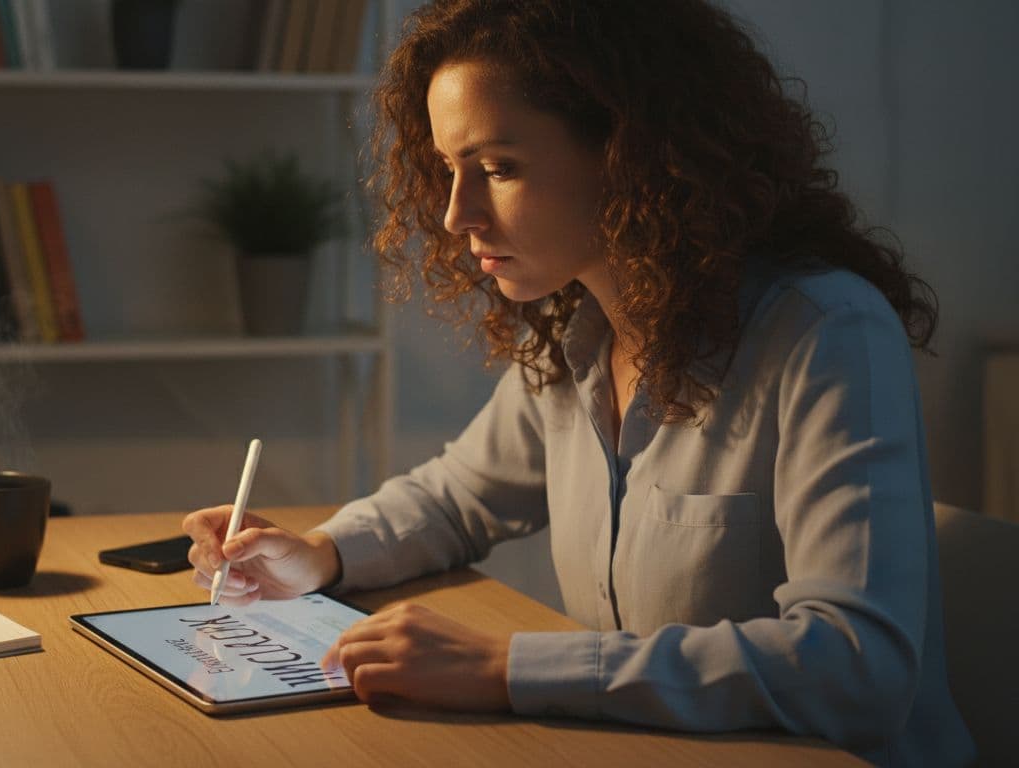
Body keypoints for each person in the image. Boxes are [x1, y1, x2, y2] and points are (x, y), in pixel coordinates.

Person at [182, 1, 974, 765]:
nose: (457, 214)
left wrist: (507, 668)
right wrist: (317, 556)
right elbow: (457, 497)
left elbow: (857, 668)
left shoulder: (825, 332)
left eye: (497, 167)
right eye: (448, 169)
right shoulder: (583, 335)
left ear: (633, 154)